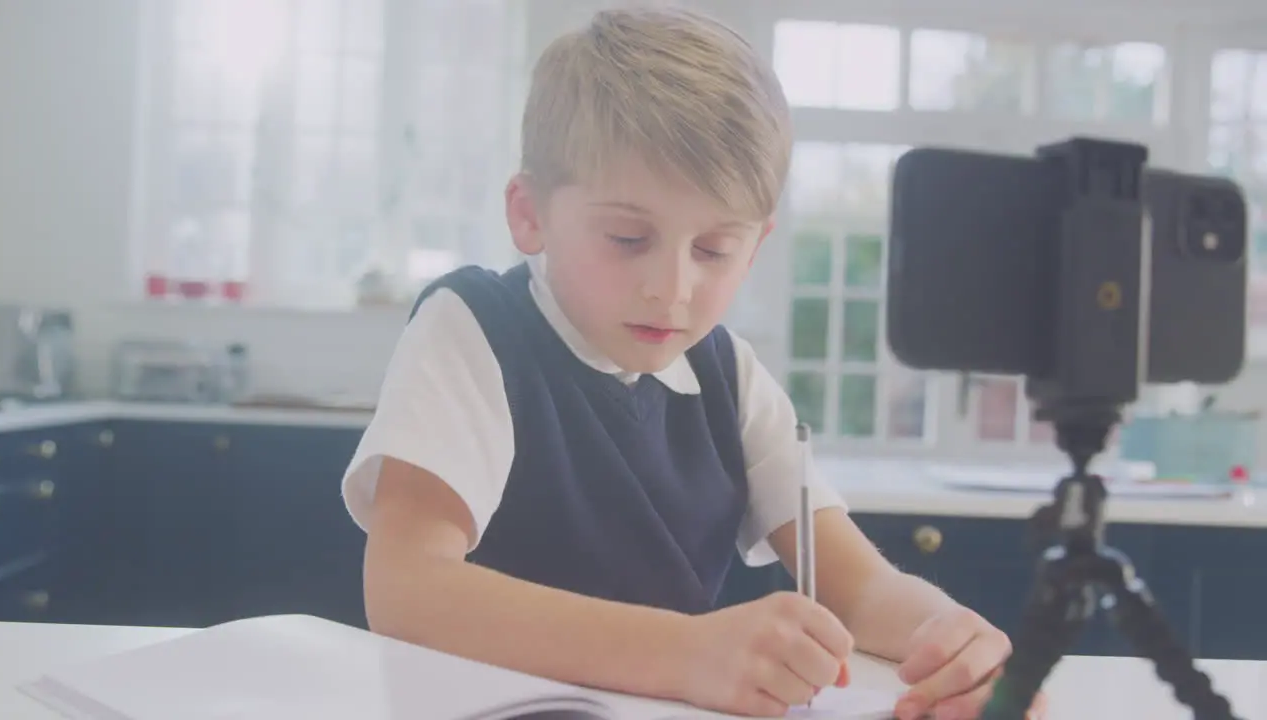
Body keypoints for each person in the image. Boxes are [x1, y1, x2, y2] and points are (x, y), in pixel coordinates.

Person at [341, 6, 1045, 720]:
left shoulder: (728, 377)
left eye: (713, 250)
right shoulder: (473, 329)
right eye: (626, 237)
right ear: (530, 214)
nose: (671, 289)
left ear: (758, 243)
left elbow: (859, 588)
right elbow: (407, 587)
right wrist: (685, 653)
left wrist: (948, 641)